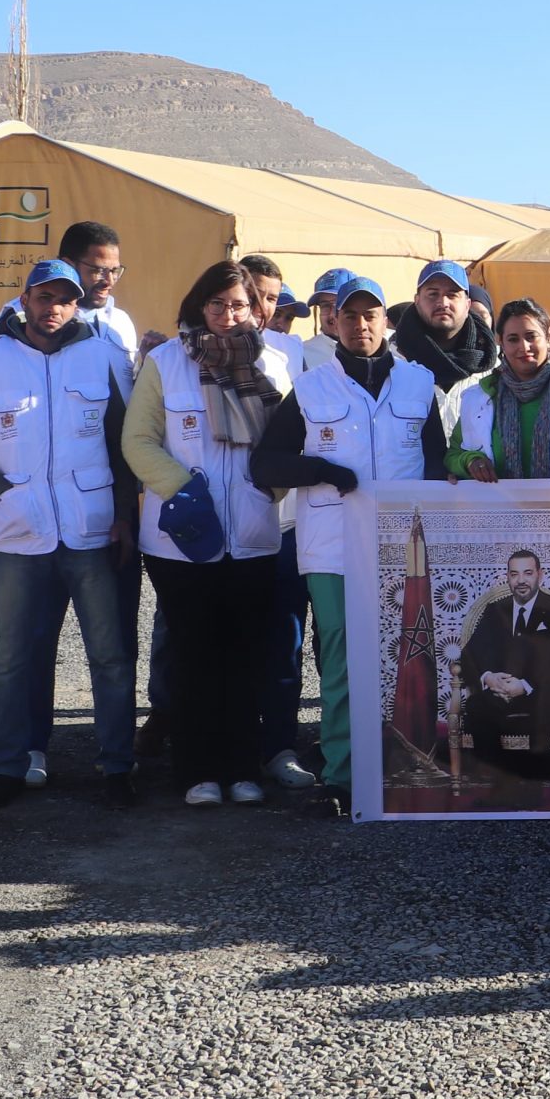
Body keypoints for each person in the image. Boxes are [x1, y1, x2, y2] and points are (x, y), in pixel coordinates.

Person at [250, 273, 446, 811]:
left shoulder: (419, 384)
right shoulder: (312, 387)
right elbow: (265, 463)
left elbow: (436, 463)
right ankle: (342, 773)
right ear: (334, 322)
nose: (361, 325)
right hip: (332, 546)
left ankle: (409, 765)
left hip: (404, 549)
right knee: (340, 660)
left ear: (387, 321)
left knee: (409, 656)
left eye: (371, 315)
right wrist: (319, 470)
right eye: (350, 316)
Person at [0, 259, 141, 810]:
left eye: (65, 298)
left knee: (110, 657)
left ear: (77, 304)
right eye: (44, 297)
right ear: (25, 300)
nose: (54, 307)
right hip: (20, 533)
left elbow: (122, 445)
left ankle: (118, 767)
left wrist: (124, 517)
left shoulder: (101, 356)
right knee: (11, 659)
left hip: (90, 531)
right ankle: (8, 766)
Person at [122, 261, 294, 809]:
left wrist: (268, 490)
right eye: (217, 304)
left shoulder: (275, 364)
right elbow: (138, 440)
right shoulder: (166, 362)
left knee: (245, 656)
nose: (227, 314)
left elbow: (290, 442)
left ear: (255, 310)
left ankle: (241, 768)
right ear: (200, 305)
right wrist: (183, 490)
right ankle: (196, 771)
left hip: (253, 533)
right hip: (182, 539)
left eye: (239, 305)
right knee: (193, 656)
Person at [240, 256, 315, 792]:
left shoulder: (291, 355)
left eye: (271, 298)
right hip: (227, 527)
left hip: (283, 525)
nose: (263, 308)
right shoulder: (187, 353)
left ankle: (279, 747)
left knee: (285, 644)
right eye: (254, 296)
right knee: (232, 644)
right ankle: (232, 749)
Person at [448, 297, 550, 485]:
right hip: (498, 503)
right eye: (513, 339)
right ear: (502, 344)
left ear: (548, 337)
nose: (523, 347)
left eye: (531, 336)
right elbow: (453, 455)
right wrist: (470, 461)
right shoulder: (477, 397)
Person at [455, 550, 550, 774]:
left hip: (544, 691)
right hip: (501, 692)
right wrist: (489, 678)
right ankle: (499, 776)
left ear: (540, 575)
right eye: (514, 574)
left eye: (527, 573)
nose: (521, 580)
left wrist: (524, 686)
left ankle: (534, 776)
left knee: (544, 704)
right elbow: (468, 655)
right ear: (508, 577)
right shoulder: (495, 610)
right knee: (477, 705)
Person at [0, 220, 141, 357]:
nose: (109, 281)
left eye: (114, 271)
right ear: (68, 264)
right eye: (98, 270)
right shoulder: (19, 316)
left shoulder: (121, 321)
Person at [389, 259, 497, 394]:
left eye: (452, 295)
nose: (443, 303)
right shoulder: (391, 363)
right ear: (417, 301)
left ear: (467, 305)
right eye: (433, 294)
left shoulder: (495, 368)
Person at [302, 270, 352, 371]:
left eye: (339, 304)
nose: (332, 314)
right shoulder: (302, 354)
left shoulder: (379, 349)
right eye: (325, 306)